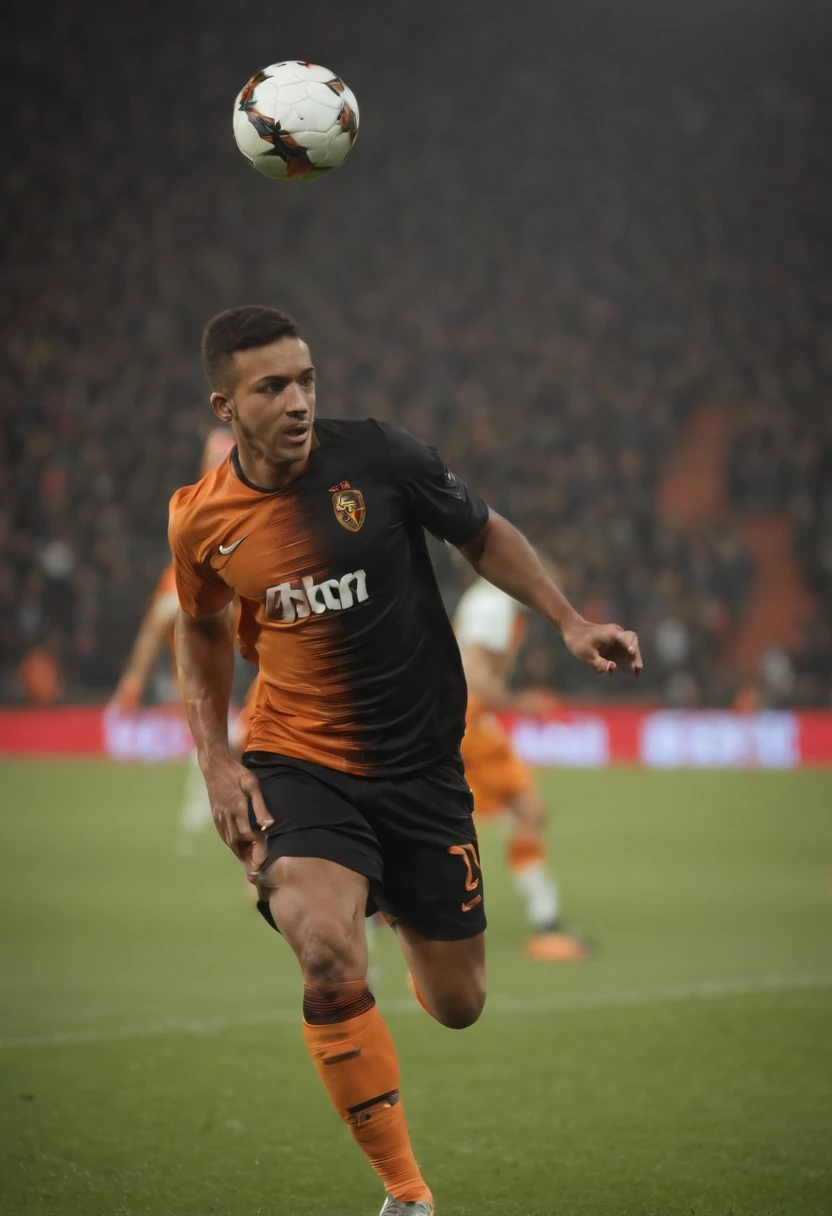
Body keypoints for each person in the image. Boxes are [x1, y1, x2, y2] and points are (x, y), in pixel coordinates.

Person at [169, 305, 642, 1216]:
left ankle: (381, 894)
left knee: (458, 1003)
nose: (299, 400)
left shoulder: (380, 458)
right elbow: (199, 629)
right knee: (322, 951)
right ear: (226, 405)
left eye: (306, 379)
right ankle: (406, 1193)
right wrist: (217, 763)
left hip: (423, 764)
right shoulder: (201, 522)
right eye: (273, 387)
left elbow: (483, 530)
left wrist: (570, 620)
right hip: (298, 756)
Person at [455, 574, 591, 960]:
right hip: (471, 722)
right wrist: (520, 704)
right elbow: (474, 674)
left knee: (454, 820)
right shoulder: (495, 605)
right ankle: (544, 916)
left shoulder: (483, 599)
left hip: (461, 720)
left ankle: (384, 903)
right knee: (527, 812)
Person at [110, 427, 236, 838]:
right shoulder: (194, 532)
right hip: (212, 669)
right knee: (225, 736)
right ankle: (212, 806)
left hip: (247, 663)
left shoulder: (238, 524)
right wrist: (132, 682)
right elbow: (163, 617)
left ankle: (213, 805)